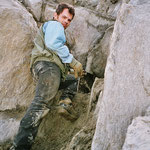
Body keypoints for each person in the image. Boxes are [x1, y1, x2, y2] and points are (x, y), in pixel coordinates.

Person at [10, 3, 83, 150]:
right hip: (48, 67)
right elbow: (52, 44)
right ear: (55, 15)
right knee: (39, 106)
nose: (66, 22)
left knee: (73, 79)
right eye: (64, 17)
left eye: (69, 20)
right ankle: (20, 146)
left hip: (50, 70)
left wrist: (68, 67)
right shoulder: (54, 26)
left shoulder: (55, 30)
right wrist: (73, 61)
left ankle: (65, 102)